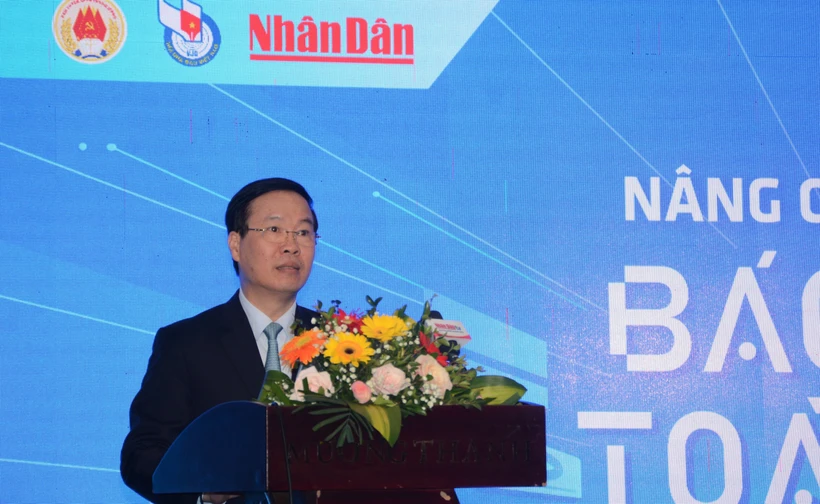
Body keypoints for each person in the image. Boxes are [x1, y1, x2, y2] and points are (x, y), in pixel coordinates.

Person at [121, 178, 320, 504]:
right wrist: (204, 491)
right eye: (274, 230)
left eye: (303, 232)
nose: (291, 245)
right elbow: (142, 453)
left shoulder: (348, 342)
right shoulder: (185, 343)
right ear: (236, 245)